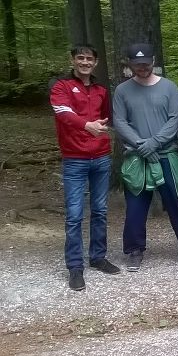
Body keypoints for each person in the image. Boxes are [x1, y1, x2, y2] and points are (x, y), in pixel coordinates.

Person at [112, 43, 178, 272]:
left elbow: (174, 120)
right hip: (137, 158)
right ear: (130, 65)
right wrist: (141, 145)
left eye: (145, 63)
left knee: (177, 202)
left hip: (166, 155)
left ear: (152, 62)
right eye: (136, 64)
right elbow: (120, 122)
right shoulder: (122, 91)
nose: (141, 67)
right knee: (135, 206)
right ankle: (134, 249)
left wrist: (152, 143)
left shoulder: (169, 88)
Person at [49, 45, 121, 290]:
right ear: (73, 60)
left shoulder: (101, 89)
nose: (84, 62)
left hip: (101, 157)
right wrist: (86, 125)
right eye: (80, 58)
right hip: (74, 159)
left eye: (89, 59)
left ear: (96, 62)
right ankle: (75, 267)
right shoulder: (62, 86)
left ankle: (98, 257)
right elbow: (62, 111)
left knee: (100, 210)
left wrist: (100, 126)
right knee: (74, 215)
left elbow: (106, 117)